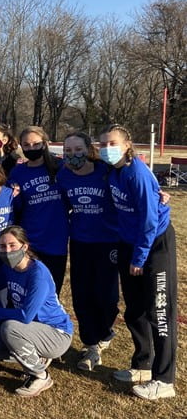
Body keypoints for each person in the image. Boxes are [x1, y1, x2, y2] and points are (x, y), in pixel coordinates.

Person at [99, 124, 177, 400]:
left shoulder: (137, 172)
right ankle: (142, 364)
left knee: (159, 312)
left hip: (154, 244)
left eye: (113, 143)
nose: (107, 148)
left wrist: (140, 257)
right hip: (128, 243)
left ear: (127, 144)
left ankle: (164, 379)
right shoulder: (113, 171)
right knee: (135, 309)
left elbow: (148, 219)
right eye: (103, 144)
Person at [0, 226, 73, 397]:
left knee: (9, 328)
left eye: (12, 245)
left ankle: (41, 376)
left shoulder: (38, 273)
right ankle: (36, 356)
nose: (7, 250)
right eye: (2, 246)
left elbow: (26, 316)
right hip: (30, 330)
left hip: (56, 333)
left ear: (25, 246)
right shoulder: (9, 267)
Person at [56, 132, 119, 371]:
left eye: (78, 149)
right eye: (68, 151)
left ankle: (105, 333)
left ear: (88, 149)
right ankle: (91, 344)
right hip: (81, 241)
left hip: (109, 242)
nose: (73, 155)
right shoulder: (63, 175)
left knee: (107, 296)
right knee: (82, 295)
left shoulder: (106, 171)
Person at [8, 126, 69, 295]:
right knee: (28, 291)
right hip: (30, 242)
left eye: (36, 144)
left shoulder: (60, 166)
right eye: (26, 145)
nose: (32, 148)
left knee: (51, 291)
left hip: (56, 241)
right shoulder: (18, 172)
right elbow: (17, 208)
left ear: (45, 143)